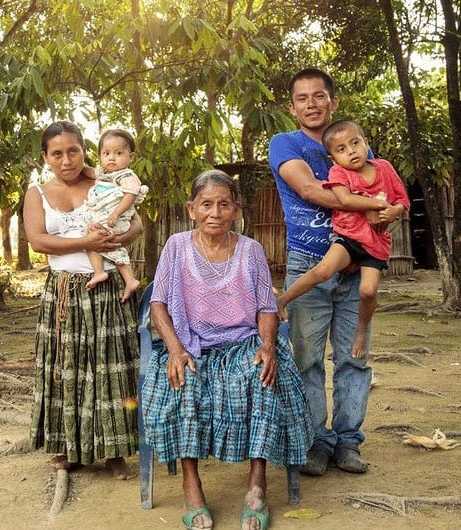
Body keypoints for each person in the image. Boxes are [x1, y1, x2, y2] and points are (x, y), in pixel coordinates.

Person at [141, 170, 310, 530]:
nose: (214, 212)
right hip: (191, 345)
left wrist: (267, 347)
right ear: (192, 209)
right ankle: (192, 488)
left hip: (243, 343)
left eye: (223, 204)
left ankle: (257, 486)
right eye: (206, 204)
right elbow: (158, 305)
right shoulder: (176, 245)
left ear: (236, 209)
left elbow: (266, 307)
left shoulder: (251, 249)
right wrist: (174, 349)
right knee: (183, 382)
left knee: (261, 378)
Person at [268, 68, 377, 476]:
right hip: (308, 264)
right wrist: (367, 200)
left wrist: (389, 207)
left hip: (358, 265)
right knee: (306, 360)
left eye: (319, 96)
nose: (311, 104)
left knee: (354, 358)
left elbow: (389, 199)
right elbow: (310, 190)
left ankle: (348, 443)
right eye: (302, 98)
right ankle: (315, 441)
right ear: (292, 106)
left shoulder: (354, 145)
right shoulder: (285, 143)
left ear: (334, 101)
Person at [24, 120, 140, 481]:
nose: (66, 160)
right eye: (56, 153)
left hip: (106, 291)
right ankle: (68, 447)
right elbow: (38, 241)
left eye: (73, 151)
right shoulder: (38, 192)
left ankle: (114, 450)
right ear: (45, 157)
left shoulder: (106, 182)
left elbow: (137, 226)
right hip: (63, 293)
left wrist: (115, 242)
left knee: (109, 367)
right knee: (66, 369)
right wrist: (85, 244)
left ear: (84, 151)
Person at [276, 119, 410, 358]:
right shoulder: (338, 173)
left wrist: (396, 210)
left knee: (368, 292)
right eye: (341, 150)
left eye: (355, 144)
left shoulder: (385, 168)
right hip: (349, 236)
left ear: (366, 144)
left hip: (375, 244)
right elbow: (346, 200)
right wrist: (380, 204)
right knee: (323, 270)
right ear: (333, 159)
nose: (351, 151)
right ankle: (282, 300)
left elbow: (402, 198)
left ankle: (361, 331)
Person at [84, 128, 148, 302]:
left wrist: (116, 212)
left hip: (116, 218)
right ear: (100, 157)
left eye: (118, 153)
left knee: (99, 242)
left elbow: (130, 195)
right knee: (101, 243)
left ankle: (107, 274)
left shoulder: (126, 175)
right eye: (106, 153)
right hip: (105, 217)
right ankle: (122, 278)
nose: (111, 158)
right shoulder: (104, 174)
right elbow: (88, 171)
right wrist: (77, 167)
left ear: (131, 157)